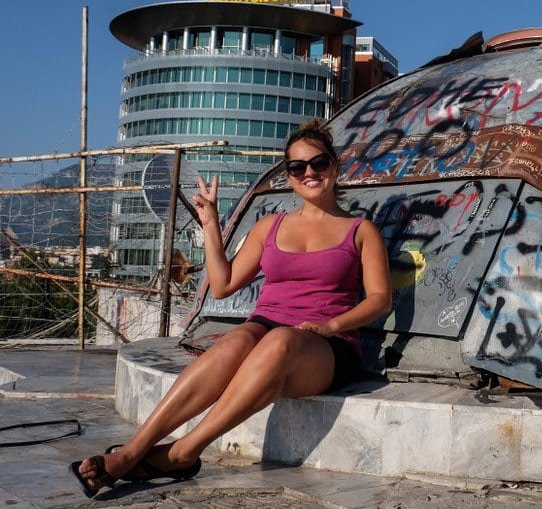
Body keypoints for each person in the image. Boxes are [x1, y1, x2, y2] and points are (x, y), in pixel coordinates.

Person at [70, 119, 392, 498]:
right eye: (297, 167)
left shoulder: (360, 230)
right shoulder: (269, 227)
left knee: (279, 342)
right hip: (267, 326)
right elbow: (221, 286)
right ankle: (134, 450)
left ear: (335, 166)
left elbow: (379, 299)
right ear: (288, 176)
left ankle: (183, 452)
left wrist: (330, 325)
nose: (309, 173)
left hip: (327, 344)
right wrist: (210, 225)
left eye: (319, 163)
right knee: (237, 340)